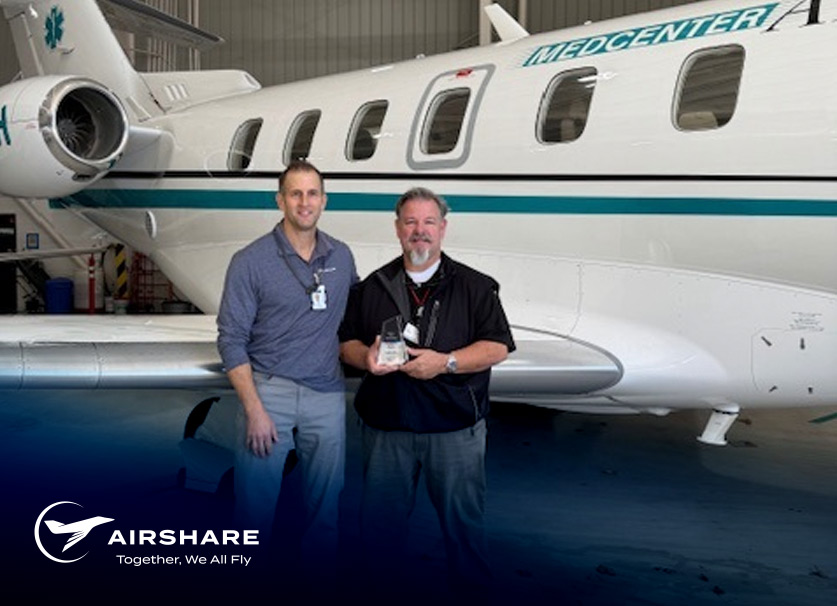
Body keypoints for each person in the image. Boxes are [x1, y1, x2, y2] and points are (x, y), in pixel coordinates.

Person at [339, 186, 515, 594]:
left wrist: (446, 362)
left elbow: (497, 347)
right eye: (411, 222)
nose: (420, 231)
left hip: (453, 431)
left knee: (464, 534)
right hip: (387, 430)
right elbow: (345, 343)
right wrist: (365, 356)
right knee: (379, 534)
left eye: (429, 222)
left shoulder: (476, 287)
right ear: (398, 229)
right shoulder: (371, 288)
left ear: (443, 229)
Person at [216, 160, 357, 577]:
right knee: (254, 513)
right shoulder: (250, 261)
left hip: (326, 396)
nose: (304, 202)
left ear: (324, 201)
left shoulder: (342, 257)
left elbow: (356, 320)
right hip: (268, 394)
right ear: (280, 200)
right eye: (295, 194)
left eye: (312, 193)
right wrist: (255, 409)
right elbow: (230, 339)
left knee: (326, 509)